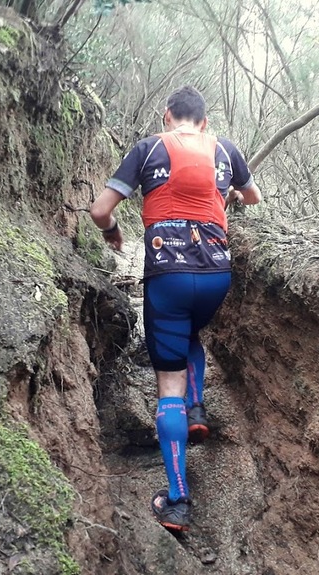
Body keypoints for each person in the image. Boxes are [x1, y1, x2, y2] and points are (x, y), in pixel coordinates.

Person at [89, 85, 262, 532]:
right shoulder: (226, 150)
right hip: (216, 274)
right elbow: (253, 198)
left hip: (167, 275)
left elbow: (100, 210)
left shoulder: (148, 149)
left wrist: (112, 232)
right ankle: (197, 408)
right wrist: (225, 197)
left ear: (167, 116)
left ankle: (178, 501)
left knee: (168, 381)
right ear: (204, 122)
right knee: (191, 334)